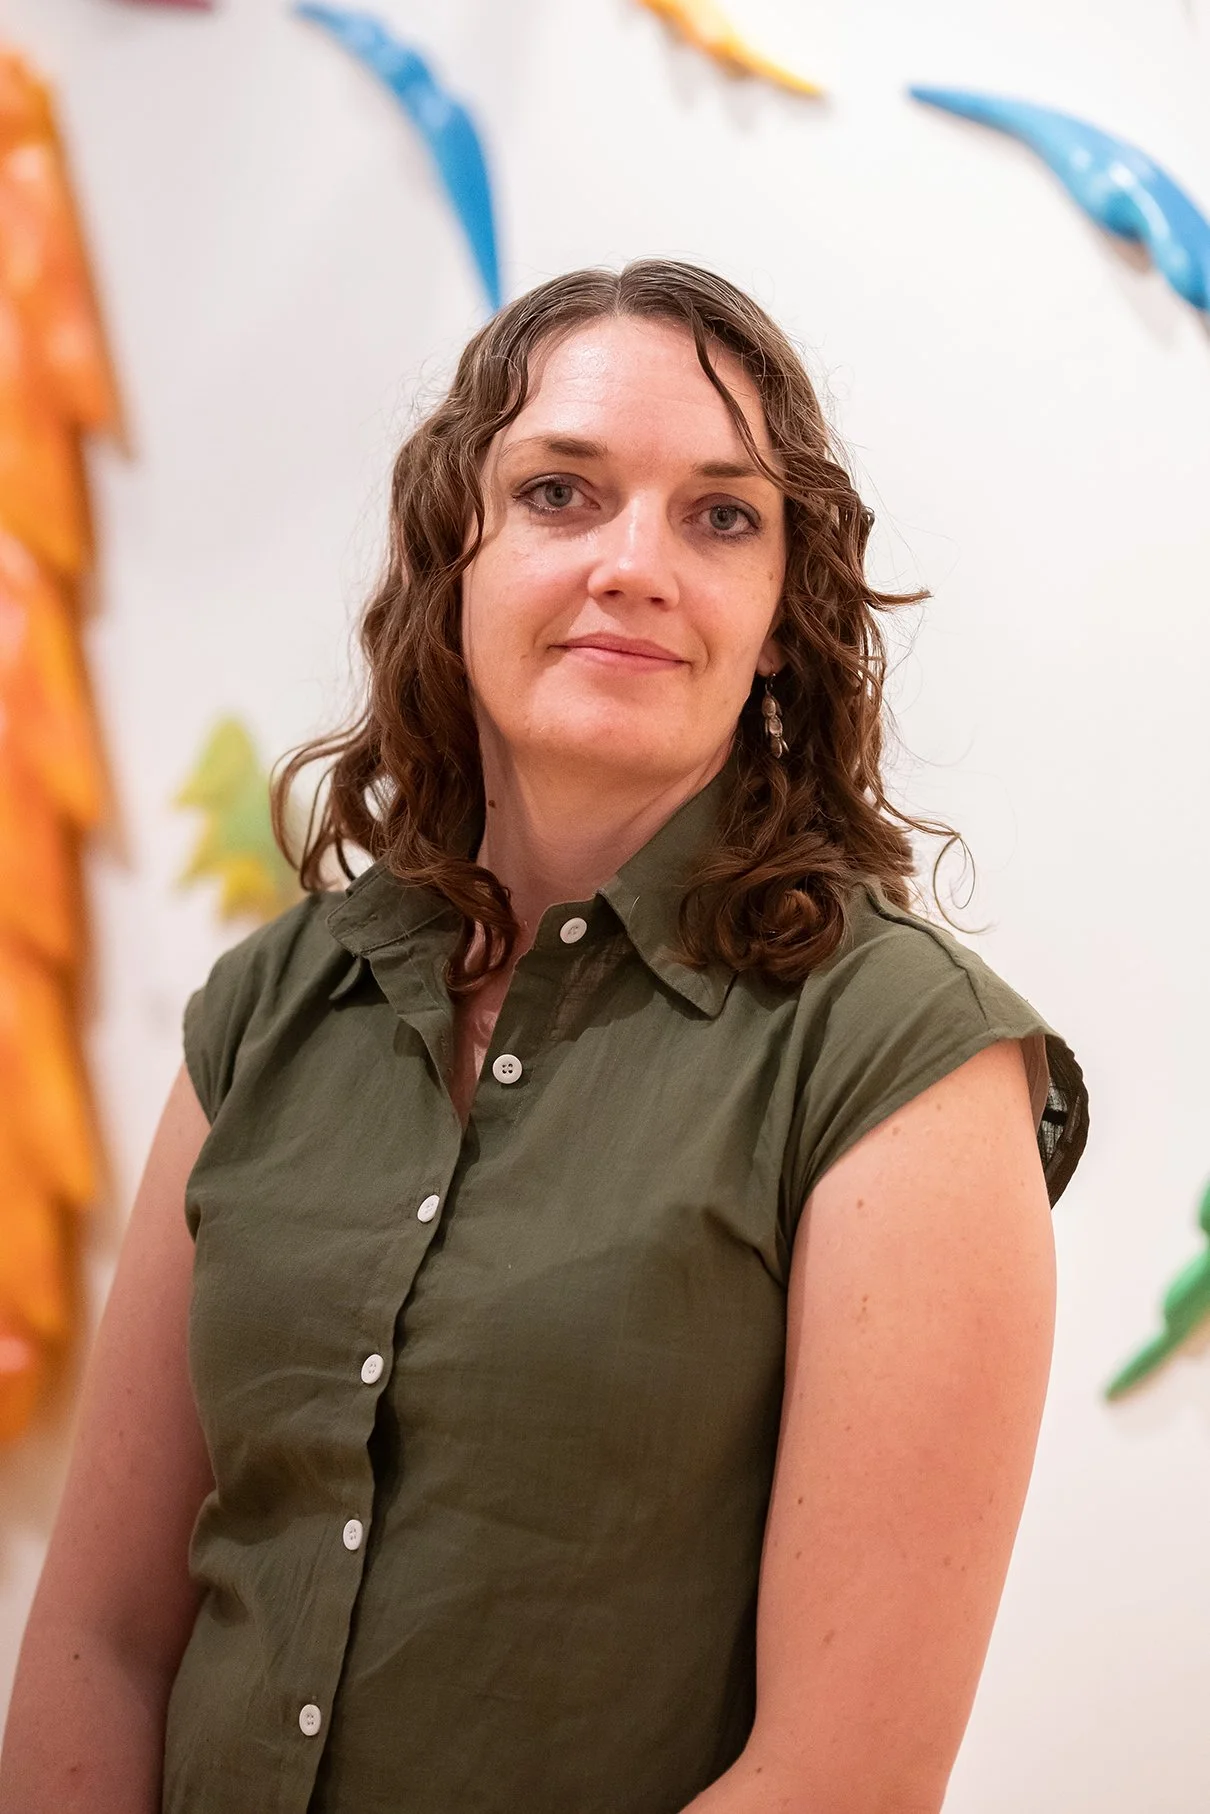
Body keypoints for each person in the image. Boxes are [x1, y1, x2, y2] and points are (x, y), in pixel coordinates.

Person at [0, 259, 1089, 1814]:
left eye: (721, 516)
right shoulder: (270, 1007)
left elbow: (837, 1777)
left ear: (781, 619)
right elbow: (103, 1636)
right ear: (459, 553)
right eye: (562, 492)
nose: (635, 564)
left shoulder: (900, 1054)